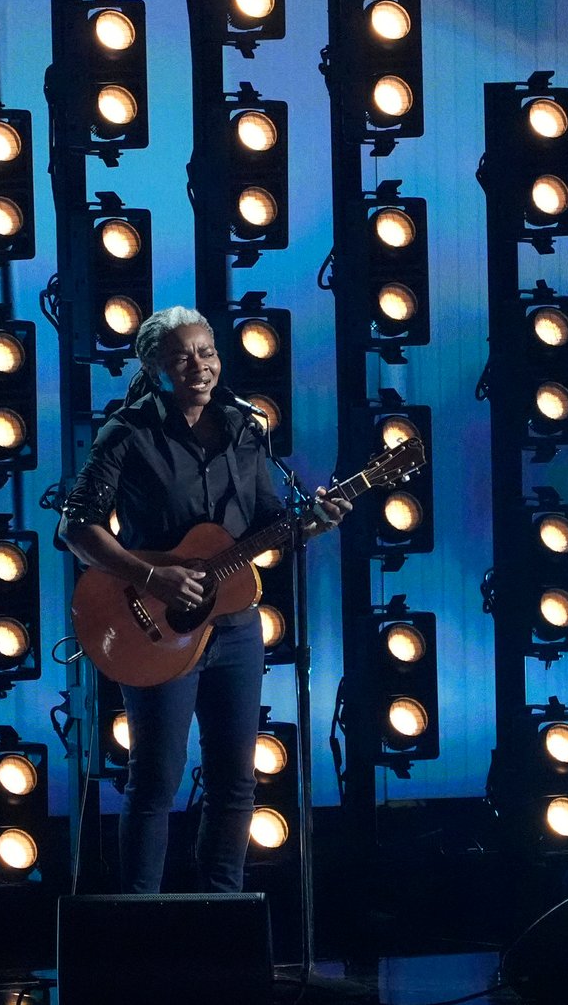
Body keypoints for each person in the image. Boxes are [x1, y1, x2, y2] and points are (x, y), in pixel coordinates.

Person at [58, 305, 349, 893]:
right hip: (154, 627)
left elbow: (268, 520)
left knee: (235, 782)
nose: (199, 366)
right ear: (154, 368)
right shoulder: (127, 431)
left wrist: (310, 525)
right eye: (182, 356)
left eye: (207, 353)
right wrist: (148, 575)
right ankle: (138, 926)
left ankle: (223, 915)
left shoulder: (247, 429)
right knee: (155, 782)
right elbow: (77, 528)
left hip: (236, 626)